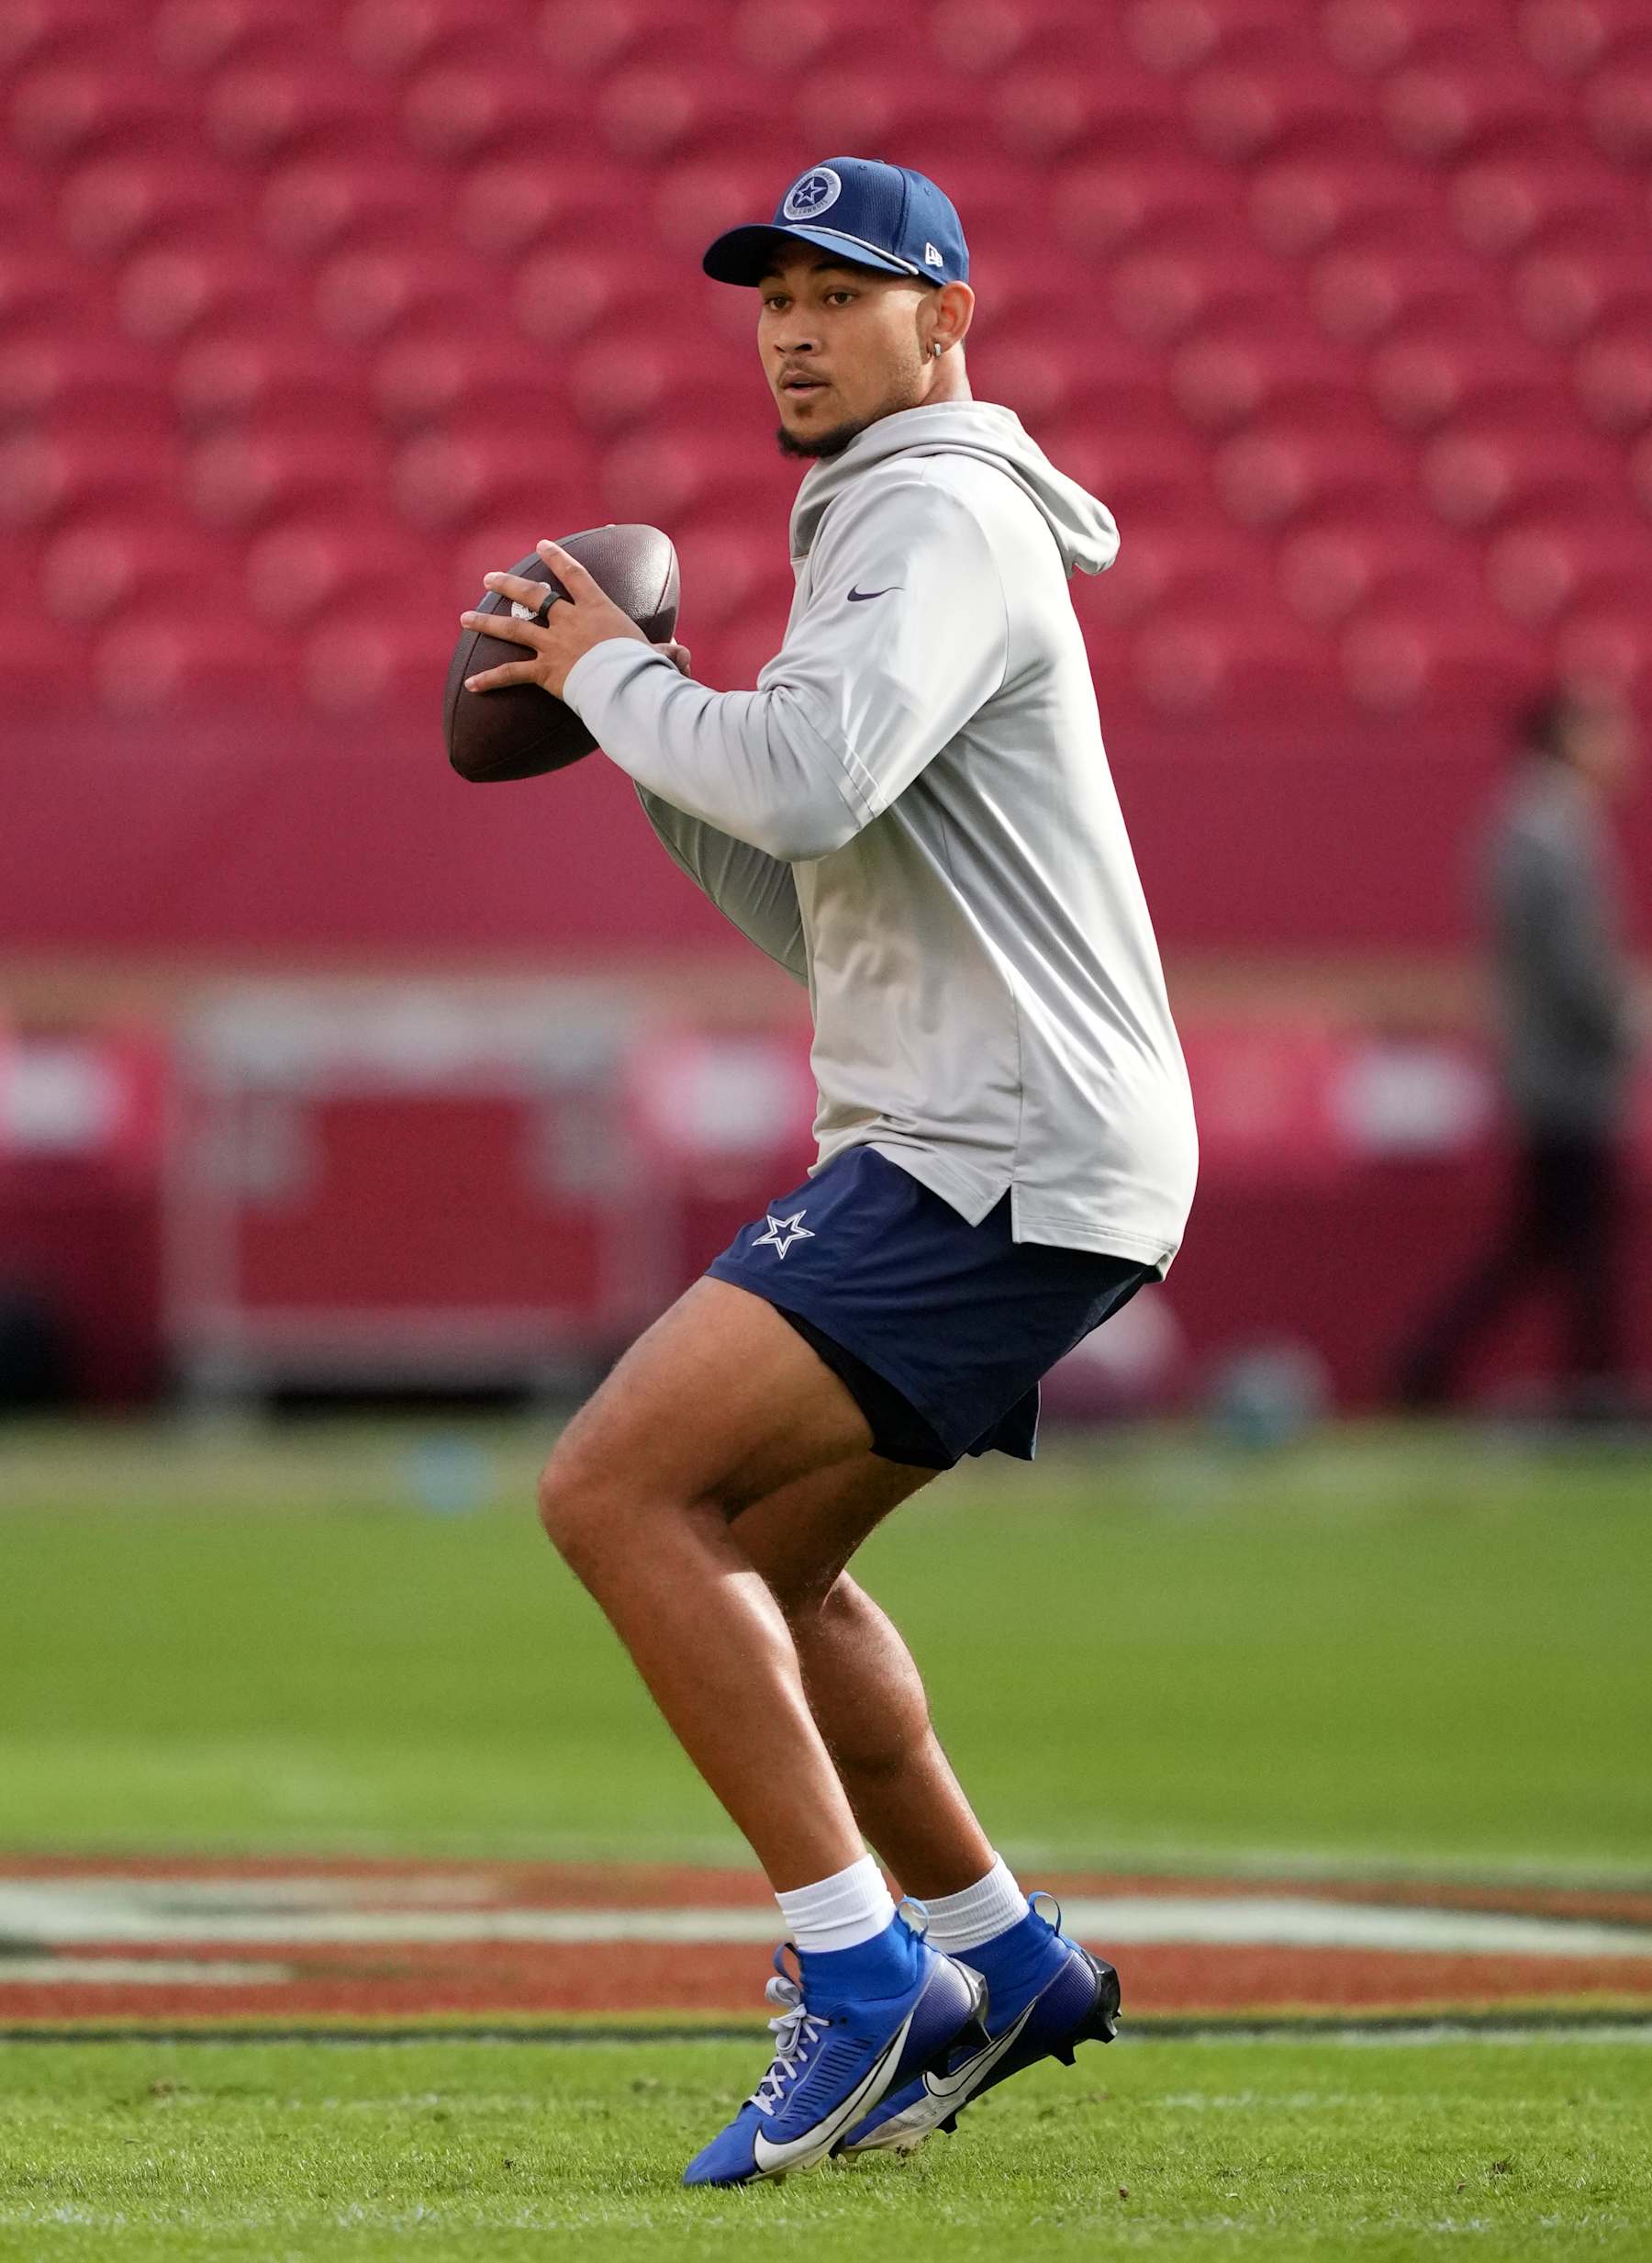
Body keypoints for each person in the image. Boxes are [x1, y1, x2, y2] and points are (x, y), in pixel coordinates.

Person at [458, 157, 1199, 2186]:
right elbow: (826, 886)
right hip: (1014, 1131)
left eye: (842, 291)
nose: (791, 323)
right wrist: (632, 722)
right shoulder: (897, 517)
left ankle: (861, 1974)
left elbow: (812, 774)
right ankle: (1002, 1949)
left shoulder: (938, 508)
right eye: (769, 292)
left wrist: (623, 672)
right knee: (766, 1561)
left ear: (944, 319)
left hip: (997, 1137)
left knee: (611, 1483)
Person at [1397, 683, 1639, 1416]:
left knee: (1550, 1237)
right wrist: (1627, 1024)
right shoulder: (1547, 827)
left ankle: (1433, 1363)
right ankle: (1594, 1384)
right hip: (1563, 1075)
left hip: (1554, 1070)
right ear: (1566, 737)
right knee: (1578, 1234)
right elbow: (1574, 969)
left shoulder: (1541, 821)